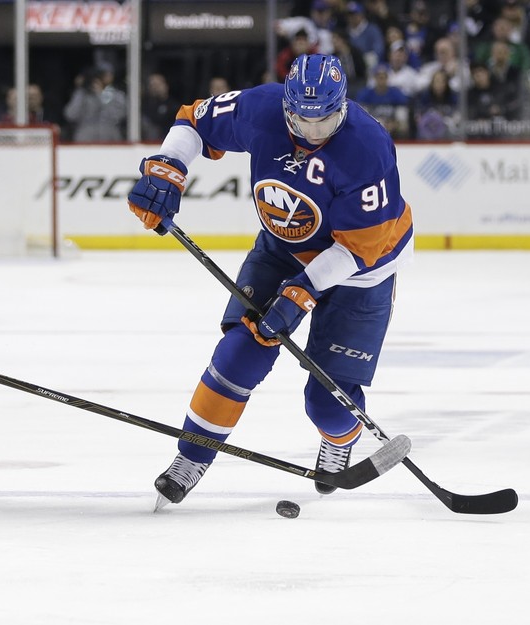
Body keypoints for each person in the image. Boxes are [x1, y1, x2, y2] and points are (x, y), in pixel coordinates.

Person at [126, 54, 413, 509]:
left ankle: (339, 440)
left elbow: (358, 248)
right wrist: (167, 167)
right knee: (241, 349)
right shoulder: (261, 107)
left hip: (362, 269)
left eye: (326, 121)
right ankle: (191, 457)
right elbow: (193, 120)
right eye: (303, 120)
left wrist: (302, 293)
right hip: (283, 246)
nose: (314, 133)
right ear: (286, 107)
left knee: (327, 403)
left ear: (343, 106)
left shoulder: (368, 148)